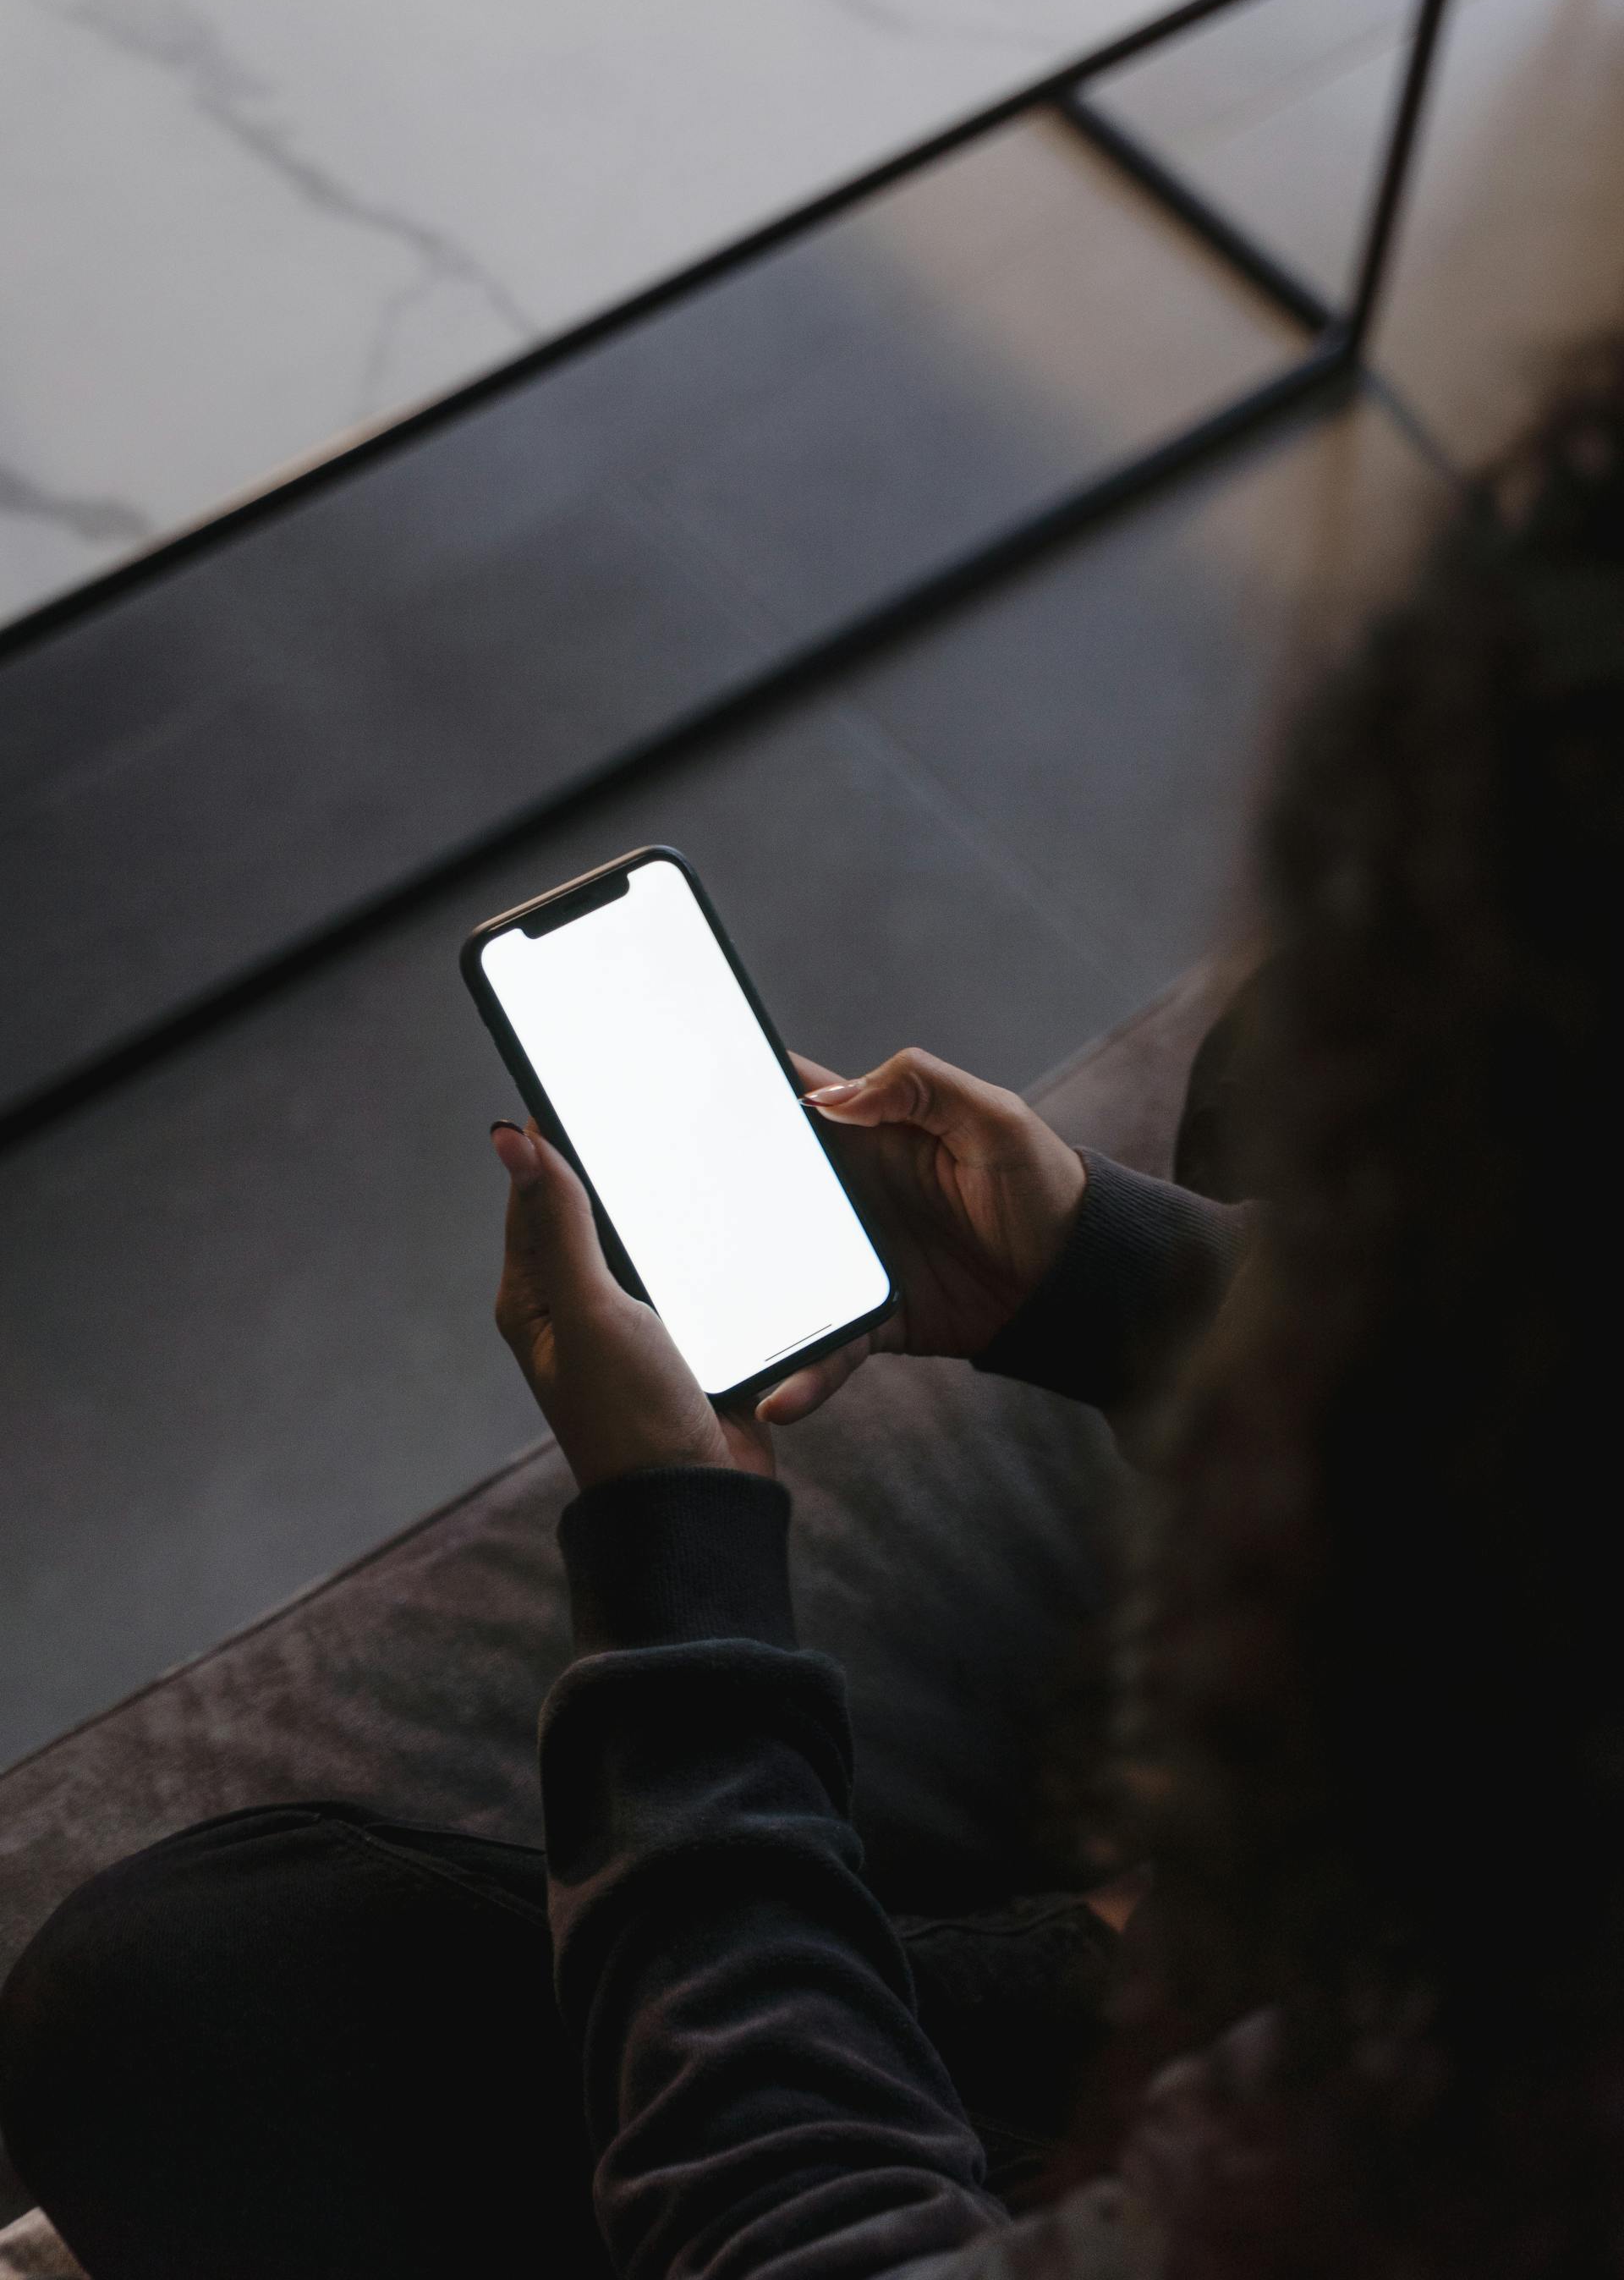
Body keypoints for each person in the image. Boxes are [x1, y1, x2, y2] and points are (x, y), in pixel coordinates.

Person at [3, 343, 1623, 2279]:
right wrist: (1098, 1280)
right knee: (1275, 1070)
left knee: (187, 2004)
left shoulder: (1459, 2151)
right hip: (1391, 1893)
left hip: (1300, 2051)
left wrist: (681, 1585)